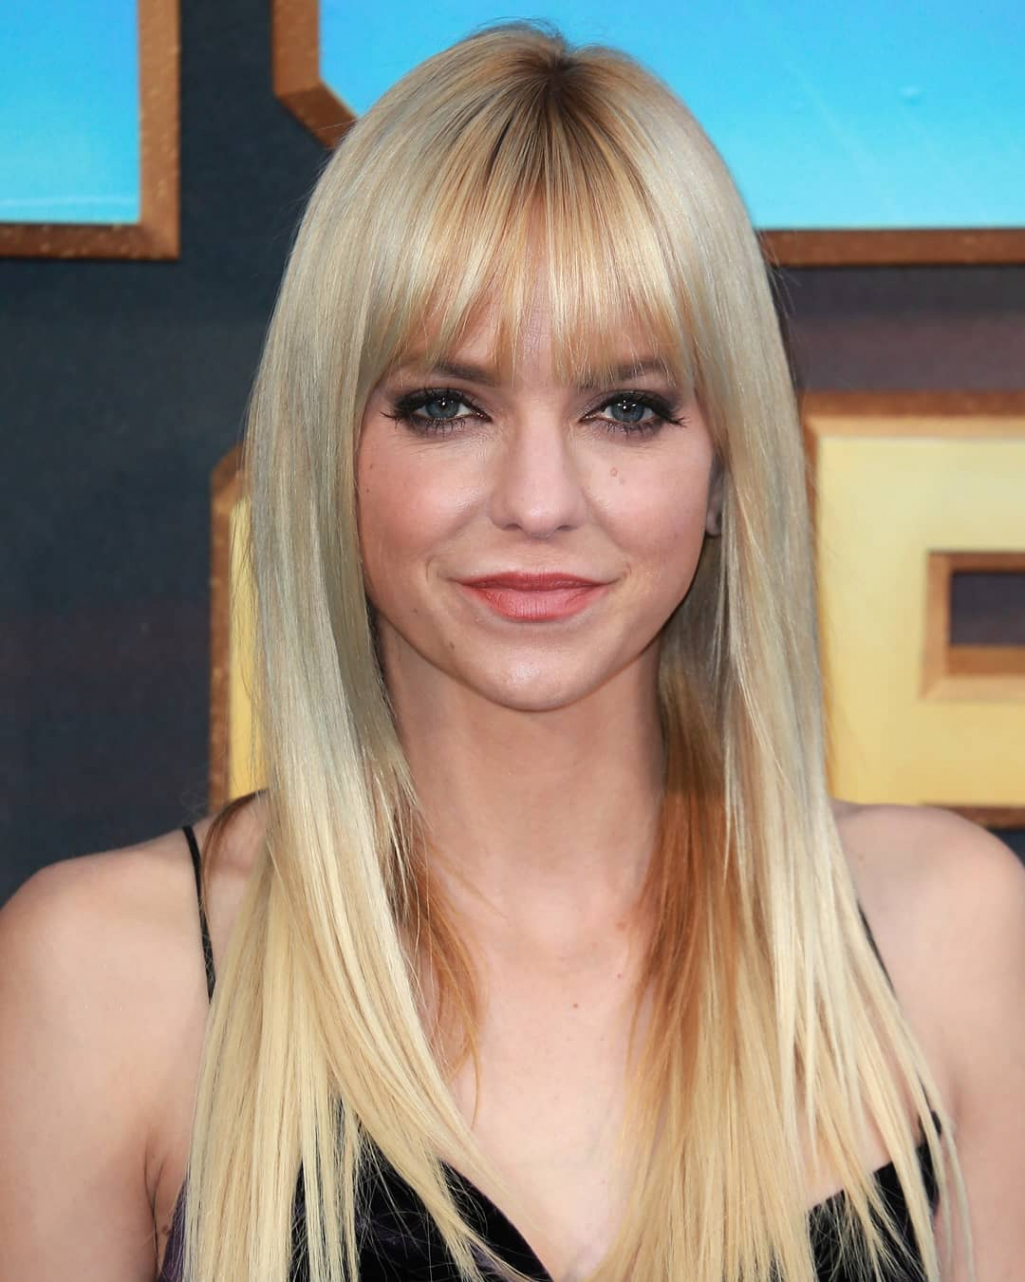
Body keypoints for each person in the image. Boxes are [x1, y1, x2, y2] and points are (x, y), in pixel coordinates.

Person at [1, 19, 1023, 1282]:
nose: (538, 500)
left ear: (722, 467)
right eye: (447, 406)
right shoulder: (111, 976)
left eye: (625, 408)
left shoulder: (938, 937)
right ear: (329, 452)